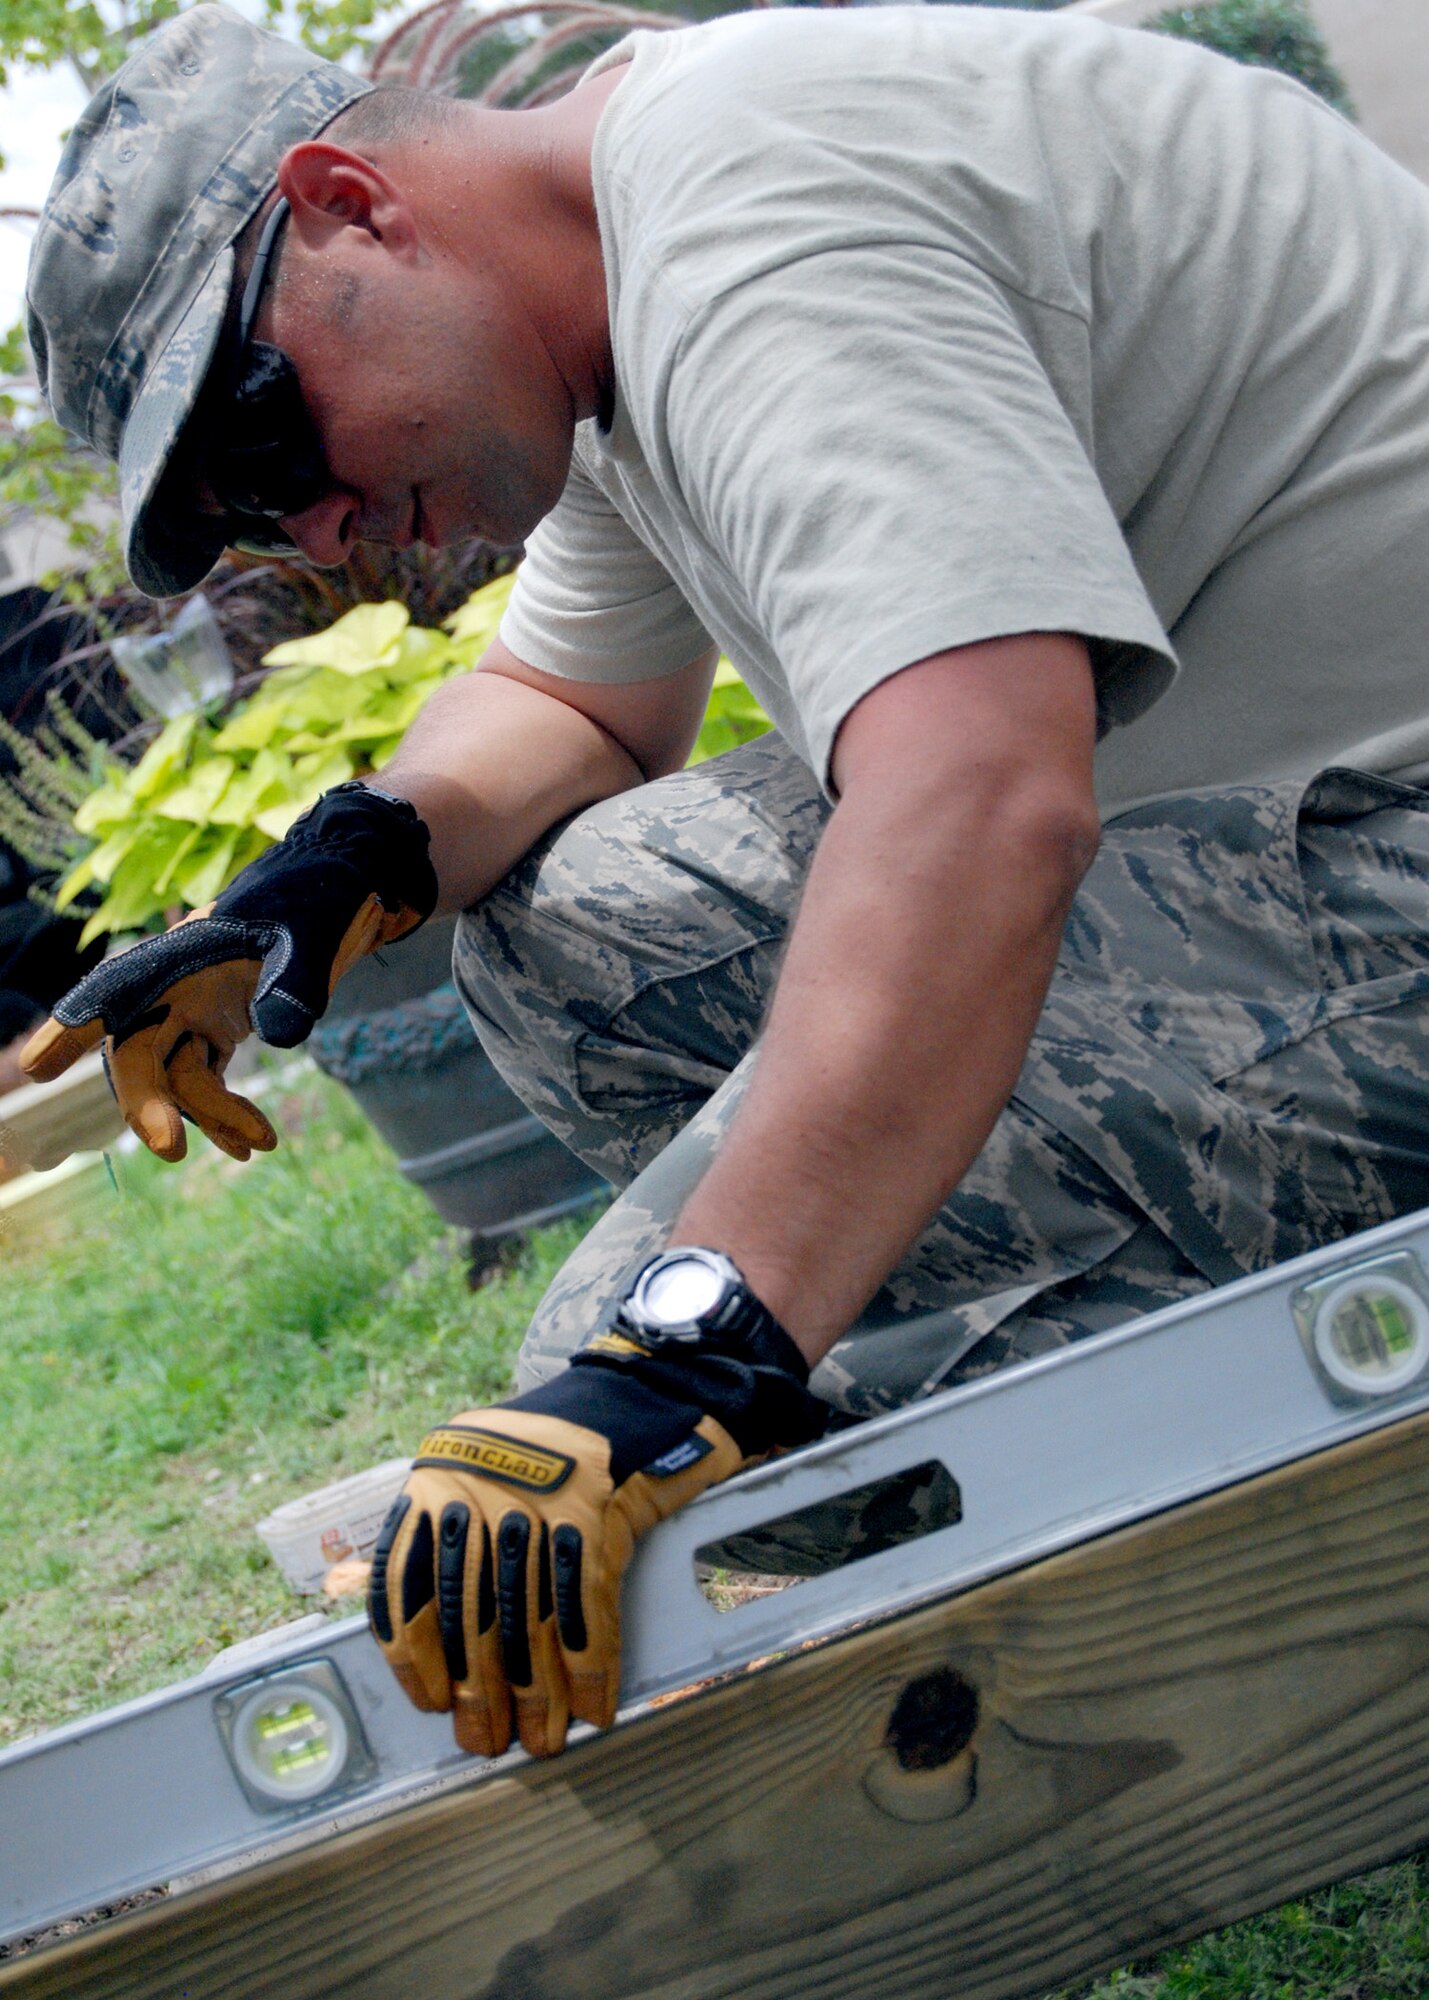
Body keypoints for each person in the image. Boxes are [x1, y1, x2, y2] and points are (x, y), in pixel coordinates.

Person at [21, 0, 1429, 1759]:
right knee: (576, 938)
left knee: (690, 1420)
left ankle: (1210, 1471)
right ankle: (1082, 1307)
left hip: (1387, 867)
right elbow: (573, 708)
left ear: (349, 199)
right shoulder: (628, 263)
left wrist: (695, 1347)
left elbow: (980, 800)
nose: (307, 528)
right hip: (1276, 835)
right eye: (245, 514)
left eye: (261, 437)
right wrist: (323, 877)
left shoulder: (762, 223)